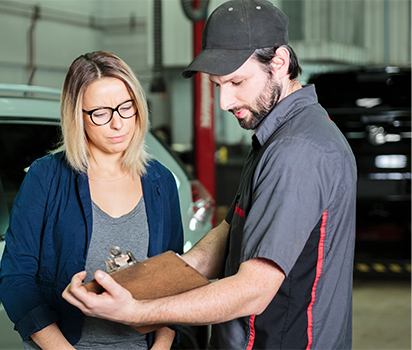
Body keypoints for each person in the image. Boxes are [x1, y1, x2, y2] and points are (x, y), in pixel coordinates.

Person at [62, 1, 357, 349]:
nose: (224, 102)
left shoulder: (298, 152)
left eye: (236, 81)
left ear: (278, 62)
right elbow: (228, 235)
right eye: (218, 85)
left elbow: (253, 292)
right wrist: (137, 285)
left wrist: (138, 311)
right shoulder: (276, 136)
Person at [0, 51, 183, 350]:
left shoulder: (160, 181)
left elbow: (172, 280)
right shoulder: (45, 178)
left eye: (126, 107)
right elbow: (15, 280)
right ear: (77, 116)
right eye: (100, 113)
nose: (118, 123)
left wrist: (161, 346)